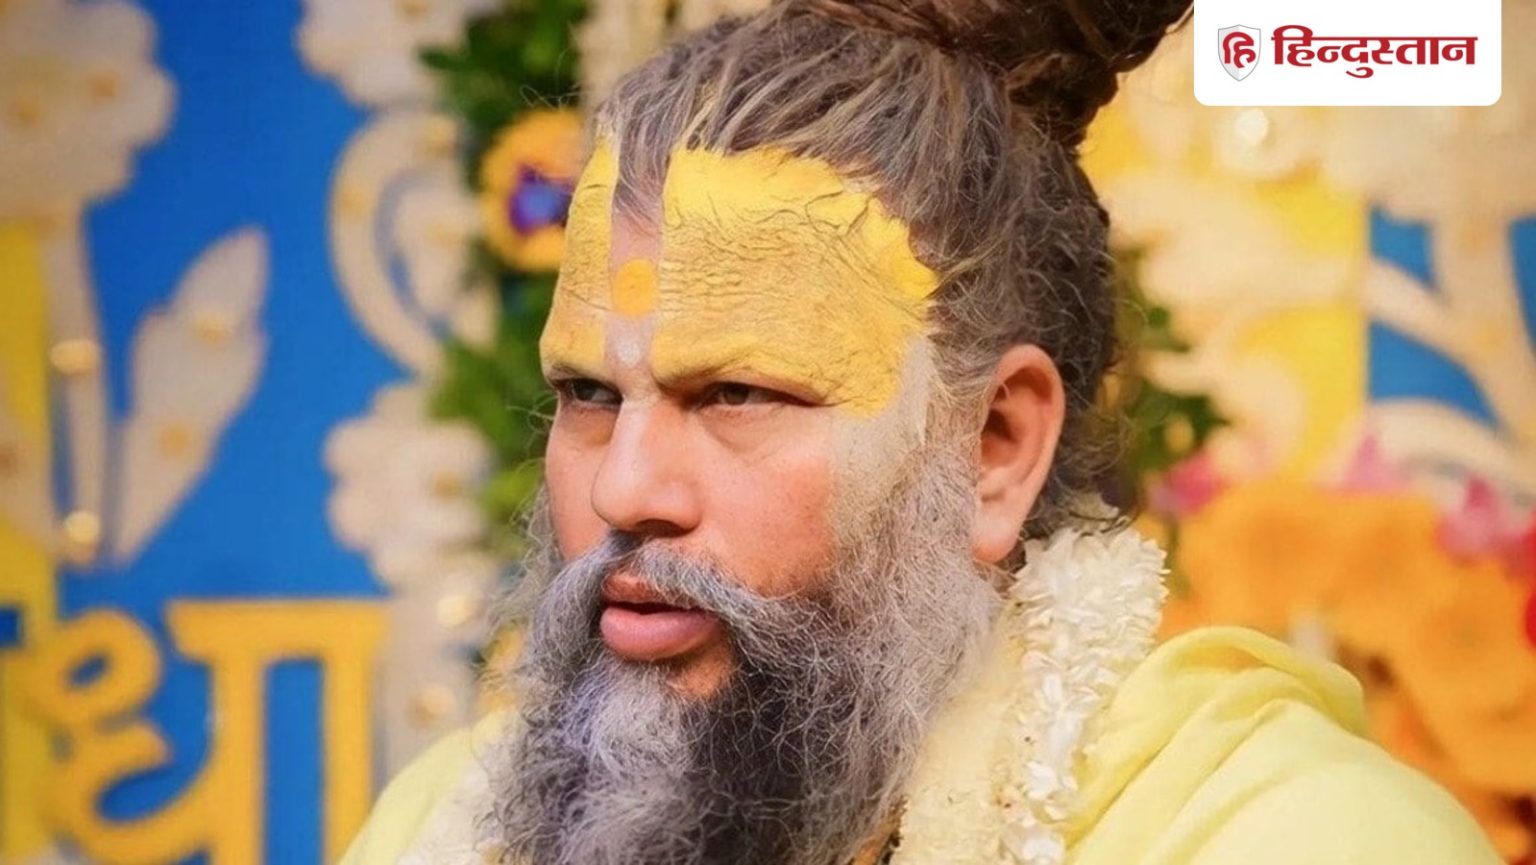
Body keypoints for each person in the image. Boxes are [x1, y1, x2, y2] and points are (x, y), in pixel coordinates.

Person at [341, 1, 1501, 863]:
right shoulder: (446, 822)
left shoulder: (1293, 836)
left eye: (736, 394)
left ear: (995, 448)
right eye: (590, 393)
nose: (625, 490)